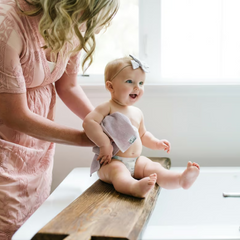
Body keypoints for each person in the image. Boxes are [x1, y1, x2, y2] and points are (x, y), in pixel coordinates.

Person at [0, 0, 119, 238]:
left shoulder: (69, 26)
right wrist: (87, 139)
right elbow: (12, 113)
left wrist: (103, 124)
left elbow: (68, 85)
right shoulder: (8, 24)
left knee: (30, 224)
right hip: (7, 136)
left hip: (37, 145)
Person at [83, 55, 200, 199]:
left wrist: (157, 143)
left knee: (155, 167)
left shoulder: (137, 112)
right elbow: (89, 122)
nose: (137, 87)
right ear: (110, 86)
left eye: (141, 83)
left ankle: (180, 180)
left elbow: (143, 135)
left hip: (136, 161)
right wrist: (104, 144)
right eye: (130, 81)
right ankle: (133, 187)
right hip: (111, 161)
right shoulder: (107, 107)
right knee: (119, 173)